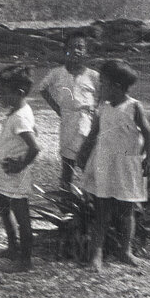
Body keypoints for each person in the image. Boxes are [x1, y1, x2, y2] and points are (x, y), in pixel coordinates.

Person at [74, 59, 150, 272]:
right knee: (102, 211)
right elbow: (94, 133)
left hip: (126, 165)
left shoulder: (133, 107)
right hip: (104, 164)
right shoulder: (103, 107)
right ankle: (96, 254)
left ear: (117, 87)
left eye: (104, 83)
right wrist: (82, 154)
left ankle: (125, 250)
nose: (101, 87)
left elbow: (147, 133)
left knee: (127, 210)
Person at [0, 64, 41, 273]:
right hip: (7, 172)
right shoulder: (19, 110)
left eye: (3, 93)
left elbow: (35, 147)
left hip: (16, 174)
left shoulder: (19, 117)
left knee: (22, 216)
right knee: (2, 204)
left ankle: (26, 259)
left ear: (19, 93)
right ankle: (13, 247)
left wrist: (21, 164)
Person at [37, 31, 100, 189]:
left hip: (88, 122)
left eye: (80, 47)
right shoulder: (57, 74)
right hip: (68, 121)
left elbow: (103, 94)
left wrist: (96, 113)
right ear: (65, 50)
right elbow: (43, 89)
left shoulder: (93, 76)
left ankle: (90, 199)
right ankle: (65, 200)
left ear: (86, 51)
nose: (76, 51)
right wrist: (57, 108)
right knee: (68, 163)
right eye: (71, 47)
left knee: (88, 162)